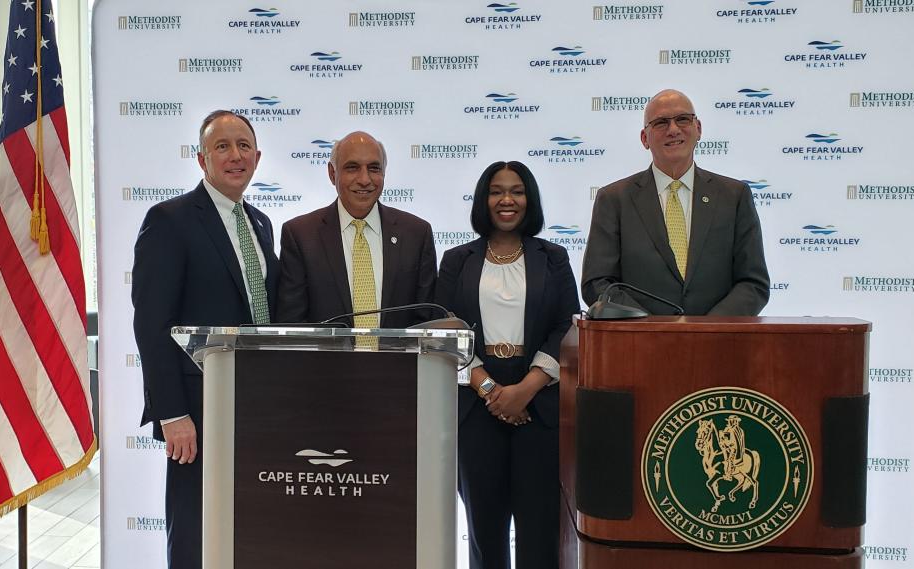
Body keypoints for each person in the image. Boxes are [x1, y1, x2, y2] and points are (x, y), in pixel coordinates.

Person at [132, 110, 278, 569]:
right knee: (195, 532)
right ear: (201, 159)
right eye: (222, 146)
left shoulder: (260, 223)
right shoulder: (170, 220)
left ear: (257, 157)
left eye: (243, 146)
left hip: (256, 408)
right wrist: (172, 414)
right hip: (195, 413)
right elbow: (152, 325)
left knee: (249, 530)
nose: (235, 155)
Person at [435, 161, 579, 569]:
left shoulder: (553, 257)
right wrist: (488, 390)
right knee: (484, 527)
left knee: (539, 526)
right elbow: (445, 328)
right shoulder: (456, 259)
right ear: (484, 200)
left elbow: (566, 326)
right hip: (476, 403)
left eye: (516, 191)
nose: (507, 200)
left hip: (539, 402)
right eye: (496, 191)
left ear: (529, 199)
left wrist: (526, 389)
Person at [581, 89, 769, 315]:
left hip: (718, 344)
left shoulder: (734, 195)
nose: (673, 130)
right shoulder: (613, 199)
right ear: (644, 138)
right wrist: (654, 330)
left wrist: (706, 331)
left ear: (698, 129)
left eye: (682, 119)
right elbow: (598, 283)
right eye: (660, 123)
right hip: (640, 344)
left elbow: (753, 283)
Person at [276, 131, 436, 327]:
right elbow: (293, 326)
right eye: (352, 168)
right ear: (332, 174)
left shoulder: (417, 234)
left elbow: (427, 323)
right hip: (324, 359)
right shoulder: (300, 235)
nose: (364, 179)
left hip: (399, 358)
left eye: (374, 168)